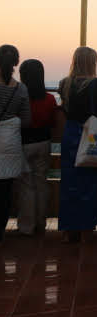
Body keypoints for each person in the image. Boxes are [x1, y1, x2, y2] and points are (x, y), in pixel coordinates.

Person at [58, 47, 97, 243]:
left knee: (69, 184)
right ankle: (86, 229)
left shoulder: (64, 83)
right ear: (92, 62)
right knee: (90, 183)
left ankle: (68, 230)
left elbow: (65, 107)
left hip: (70, 134)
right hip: (91, 136)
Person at [17, 59, 57, 235]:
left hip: (24, 143)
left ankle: (27, 226)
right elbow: (53, 121)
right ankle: (41, 223)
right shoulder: (49, 99)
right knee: (42, 183)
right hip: (44, 143)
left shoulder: (20, 97)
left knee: (27, 185)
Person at [0, 45, 31, 241]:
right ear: (16, 63)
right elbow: (27, 120)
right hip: (9, 144)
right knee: (4, 192)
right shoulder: (21, 89)